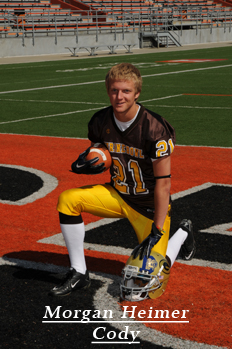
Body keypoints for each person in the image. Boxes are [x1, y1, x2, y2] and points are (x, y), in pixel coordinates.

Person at [49, 63, 196, 298]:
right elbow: (100, 146)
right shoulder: (100, 120)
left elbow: (164, 183)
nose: (119, 96)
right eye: (115, 90)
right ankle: (78, 272)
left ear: (137, 93)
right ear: (108, 90)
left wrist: (157, 229)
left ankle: (181, 233)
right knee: (68, 199)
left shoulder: (155, 128)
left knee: (147, 286)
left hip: (148, 206)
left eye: (126, 91)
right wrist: (90, 158)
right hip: (117, 193)